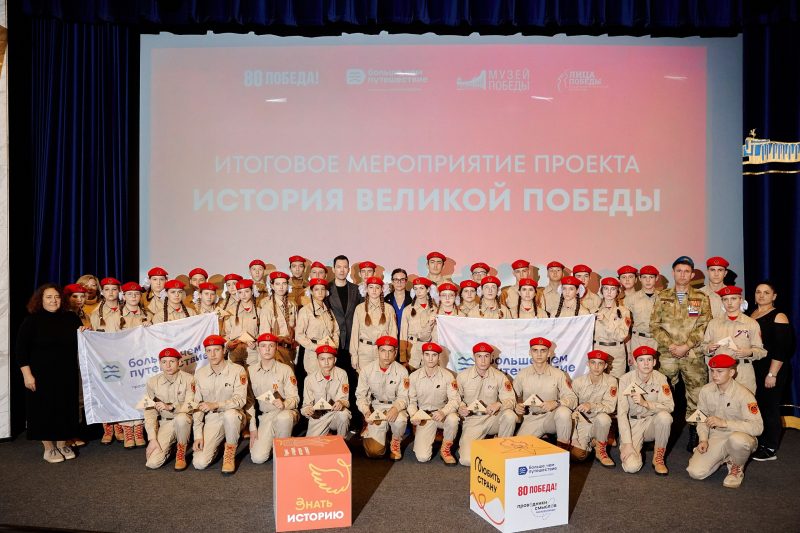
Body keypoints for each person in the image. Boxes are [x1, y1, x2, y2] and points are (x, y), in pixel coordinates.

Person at [16, 284, 84, 463]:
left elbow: (82, 341)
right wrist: (27, 375)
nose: (53, 300)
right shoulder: (31, 321)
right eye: (49, 297)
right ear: (41, 300)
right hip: (40, 375)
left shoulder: (71, 318)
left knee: (66, 408)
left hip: (67, 374)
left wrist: (86, 332)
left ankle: (62, 444)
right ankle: (49, 448)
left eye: (57, 297)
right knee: (42, 410)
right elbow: (21, 350)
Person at [650, 256, 711, 452]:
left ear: (692, 274)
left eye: (686, 271)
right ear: (673, 273)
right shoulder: (662, 296)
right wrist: (671, 345)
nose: (683, 274)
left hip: (692, 355)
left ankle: (696, 432)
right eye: (679, 271)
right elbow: (654, 325)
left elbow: (703, 325)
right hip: (667, 355)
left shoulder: (701, 298)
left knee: (697, 395)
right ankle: (659, 432)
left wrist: (686, 346)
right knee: (662, 393)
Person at [686, 354, 764, 488]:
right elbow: (701, 418)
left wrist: (725, 423)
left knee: (737, 441)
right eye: (712, 371)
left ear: (732, 372)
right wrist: (703, 439)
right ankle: (726, 456)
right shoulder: (706, 390)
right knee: (695, 472)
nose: (714, 375)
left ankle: (736, 466)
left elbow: (758, 427)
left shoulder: (744, 395)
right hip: (717, 436)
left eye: (720, 371)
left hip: (740, 436)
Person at [90, 277, 147, 447]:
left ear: (119, 292)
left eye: (114, 289)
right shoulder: (98, 314)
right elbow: (99, 337)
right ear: (102, 292)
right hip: (111, 359)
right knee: (112, 392)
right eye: (107, 289)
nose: (111, 293)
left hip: (136, 360)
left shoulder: (141, 313)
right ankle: (112, 426)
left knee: (136, 392)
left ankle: (132, 427)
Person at [749, 281, 795, 461]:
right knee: (758, 407)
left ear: (774, 296)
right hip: (755, 368)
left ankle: (770, 447)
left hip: (772, 370)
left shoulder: (779, 316)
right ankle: (760, 442)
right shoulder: (752, 314)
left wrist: (772, 374)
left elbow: (782, 349)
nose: (761, 295)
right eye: (758, 292)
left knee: (769, 408)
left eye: (766, 292)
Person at [192, 335, 248, 475]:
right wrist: (198, 435)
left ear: (224, 351)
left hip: (235, 415)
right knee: (199, 463)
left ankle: (230, 451)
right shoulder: (200, 374)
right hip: (212, 419)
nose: (212, 354)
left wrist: (216, 404)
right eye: (209, 351)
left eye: (216, 350)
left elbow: (240, 400)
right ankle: (218, 444)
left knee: (230, 415)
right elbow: (197, 406)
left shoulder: (238, 370)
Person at [456, 342, 516, 466]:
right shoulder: (462, 376)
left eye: (486, 356)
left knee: (510, 416)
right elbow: (455, 398)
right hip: (472, 420)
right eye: (479, 356)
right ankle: (483, 444)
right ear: (474, 357)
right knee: (467, 461)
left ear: (491, 357)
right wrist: (461, 407)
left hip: (492, 418)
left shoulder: (500, 377)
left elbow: (511, 400)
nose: (483, 360)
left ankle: (502, 450)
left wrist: (499, 404)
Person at [617, 346, 674, 475]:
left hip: (651, 422)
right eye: (641, 360)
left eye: (649, 360)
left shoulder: (661, 378)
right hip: (632, 424)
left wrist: (645, 403)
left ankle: (658, 457)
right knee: (632, 467)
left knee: (665, 417)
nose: (646, 363)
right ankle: (632, 447)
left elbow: (669, 406)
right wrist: (627, 443)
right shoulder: (625, 380)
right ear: (635, 362)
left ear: (654, 362)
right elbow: (622, 414)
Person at [513, 337, 577, 450]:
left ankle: (562, 451)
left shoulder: (558, 374)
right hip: (532, 419)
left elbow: (573, 399)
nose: (539, 354)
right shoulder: (522, 374)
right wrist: (516, 406)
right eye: (535, 350)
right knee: (517, 450)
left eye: (543, 350)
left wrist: (556, 403)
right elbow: (511, 397)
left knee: (564, 412)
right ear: (530, 353)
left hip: (551, 418)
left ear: (549, 353)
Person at [701, 286, 766, 394]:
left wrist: (749, 352)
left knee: (745, 402)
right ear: (722, 302)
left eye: (733, 298)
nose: (729, 303)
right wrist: (709, 349)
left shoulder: (751, 323)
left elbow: (761, 351)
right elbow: (703, 346)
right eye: (725, 299)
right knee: (718, 403)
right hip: (719, 372)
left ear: (740, 300)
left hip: (742, 371)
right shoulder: (713, 323)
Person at [247, 333, 299, 464]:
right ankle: (279, 439)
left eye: (271, 346)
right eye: (263, 346)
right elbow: (249, 402)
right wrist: (252, 427)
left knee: (284, 418)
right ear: (258, 348)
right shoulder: (250, 371)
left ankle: (283, 449)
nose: (267, 349)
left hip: (285, 412)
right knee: (258, 458)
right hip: (266, 416)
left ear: (276, 347)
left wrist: (285, 404)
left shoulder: (286, 369)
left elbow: (295, 398)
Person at [355, 336, 409, 460]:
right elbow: (361, 396)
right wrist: (366, 411)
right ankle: (378, 432)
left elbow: (404, 396)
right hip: (376, 408)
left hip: (394, 406)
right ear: (377, 351)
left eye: (390, 351)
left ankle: (396, 440)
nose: (386, 355)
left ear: (395, 352)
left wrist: (396, 408)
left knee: (400, 420)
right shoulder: (367, 370)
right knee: (374, 451)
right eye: (383, 350)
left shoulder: (402, 371)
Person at [407, 342, 460, 465]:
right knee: (422, 457)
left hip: (442, 414)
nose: (430, 359)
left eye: (434, 355)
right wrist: (413, 415)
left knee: (453, 419)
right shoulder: (414, 377)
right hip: (424, 416)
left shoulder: (448, 376)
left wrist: (443, 412)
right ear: (422, 356)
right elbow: (411, 401)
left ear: (439, 357)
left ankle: (445, 449)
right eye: (427, 354)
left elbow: (455, 400)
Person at [142, 347, 194, 470]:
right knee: (152, 463)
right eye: (164, 362)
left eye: (172, 361)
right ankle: (171, 445)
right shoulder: (152, 382)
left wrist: (171, 407)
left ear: (179, 362)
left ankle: (181, 449)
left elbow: (191, 405)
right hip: (166, 422)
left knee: (181, 418)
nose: (168, 365)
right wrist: (152, 438)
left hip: (184, 420)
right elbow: (149, 412)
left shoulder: (189, 379)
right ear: (160, 364)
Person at [570, 350, 617, 467]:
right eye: (593, 363)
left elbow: (610, 407)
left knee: (604, 418)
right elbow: (571, 410)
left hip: (598, 421)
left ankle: (601, 450)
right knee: (578, 455)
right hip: (582, 421)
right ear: (588, 364)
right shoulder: (578, 382)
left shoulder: (611, 381)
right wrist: (573, 436)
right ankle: (592, 442)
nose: (596, 367)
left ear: (605, 366)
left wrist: (591, 405)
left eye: (600, 363)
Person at [300, 344, 351, 437]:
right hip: (319, 416)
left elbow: (345, 400)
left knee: (344, 415)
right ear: (317, 361)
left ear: (335, 360)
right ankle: (326, 434)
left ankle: (341, 441)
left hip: (335, 414)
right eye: (322, 359)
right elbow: (306, 405)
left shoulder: (342, 374)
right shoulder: (309, 379)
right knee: (312, 444)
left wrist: (341, 402)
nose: (326, 363)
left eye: (330, 359)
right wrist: (307, 410)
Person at [350, 277, 398, 373]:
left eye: (377, 287)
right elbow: (355, 333)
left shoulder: (389, 309)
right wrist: (354, 355)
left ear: (382, 290)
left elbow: (393, 333)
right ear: (366, 289)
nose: (374, 290)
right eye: (371, 287)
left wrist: (392, 354)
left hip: (383, 351)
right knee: (364, 380)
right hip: (364, 352)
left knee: (382, 379)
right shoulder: (359, 308)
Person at [296, 278, 341, 375]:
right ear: (311, 292)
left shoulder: (329, 311)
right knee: (314, 381)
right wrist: (316, 347)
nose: (320, 292)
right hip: (313, 354)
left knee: (329, 380)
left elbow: (336, 331)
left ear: (326, 292)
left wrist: (334, 345)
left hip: (329, 352)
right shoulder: (306, 311)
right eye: (316, 289)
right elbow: (299, 335)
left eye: (322, 289)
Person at [328, 255, 363, 366]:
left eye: (345, 267)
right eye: (338, 267)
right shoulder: (326, 289)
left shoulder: (356, 289)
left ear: (348, 269)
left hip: (352, 340)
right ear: (333, 269)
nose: (342, 270)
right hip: (333, 340)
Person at [593, 277, 632, 378]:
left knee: (616, 382)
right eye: (606, 288)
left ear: (618, 291)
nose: (609, 292)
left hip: (616, 353)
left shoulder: (624, 312)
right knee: (598, 383)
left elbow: (621, 336)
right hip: (598, 351)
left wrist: (605, 321)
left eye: (613, 289)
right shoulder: (594, 311)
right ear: (601, 290)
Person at [258, 271, 297, 367]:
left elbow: (296, 328)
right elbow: (264, 335)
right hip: (276, 351)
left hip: (291, 351)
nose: (281, 287)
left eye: (284, 284)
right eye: (277, 284)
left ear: (287, 285)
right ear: (272, 286)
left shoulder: (292, 305)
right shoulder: (268, 308)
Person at [399, 276, 437, 370]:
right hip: (412, 351)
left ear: (428, 289)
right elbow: (403, 335)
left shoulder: (434, 310)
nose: (418, 292)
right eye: (415, 289)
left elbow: (435, 335)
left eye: (421, 288)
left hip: (428, 352)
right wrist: (403, 358)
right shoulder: (408, 310)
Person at [222, 279, 259, 367]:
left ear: (252, 292)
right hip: (234, 351)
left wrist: (256, 344)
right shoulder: (230, 312)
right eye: (240, 292)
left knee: (252, 374)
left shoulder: (259, 311)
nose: (243, 295)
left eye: (247, 291)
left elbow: (263, 332)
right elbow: (225, 334)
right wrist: (227, 344)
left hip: (252, 351)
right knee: (235, 375)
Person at [626, 265, 661, 356]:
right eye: (644, 277)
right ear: (640, 278)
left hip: (658, 340)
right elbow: (625, 324)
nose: (648, 280)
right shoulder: (631, 299)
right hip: (638, 340)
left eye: (651, 277)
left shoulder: (663, 298)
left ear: (656, 278)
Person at [385, 268, 411, 337]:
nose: (399, 282)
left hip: (408, 336)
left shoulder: (413, 298)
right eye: (396, 279)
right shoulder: (386, 299)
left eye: (402, 279)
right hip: (391, 336)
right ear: (392, 281)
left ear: (406, 281)